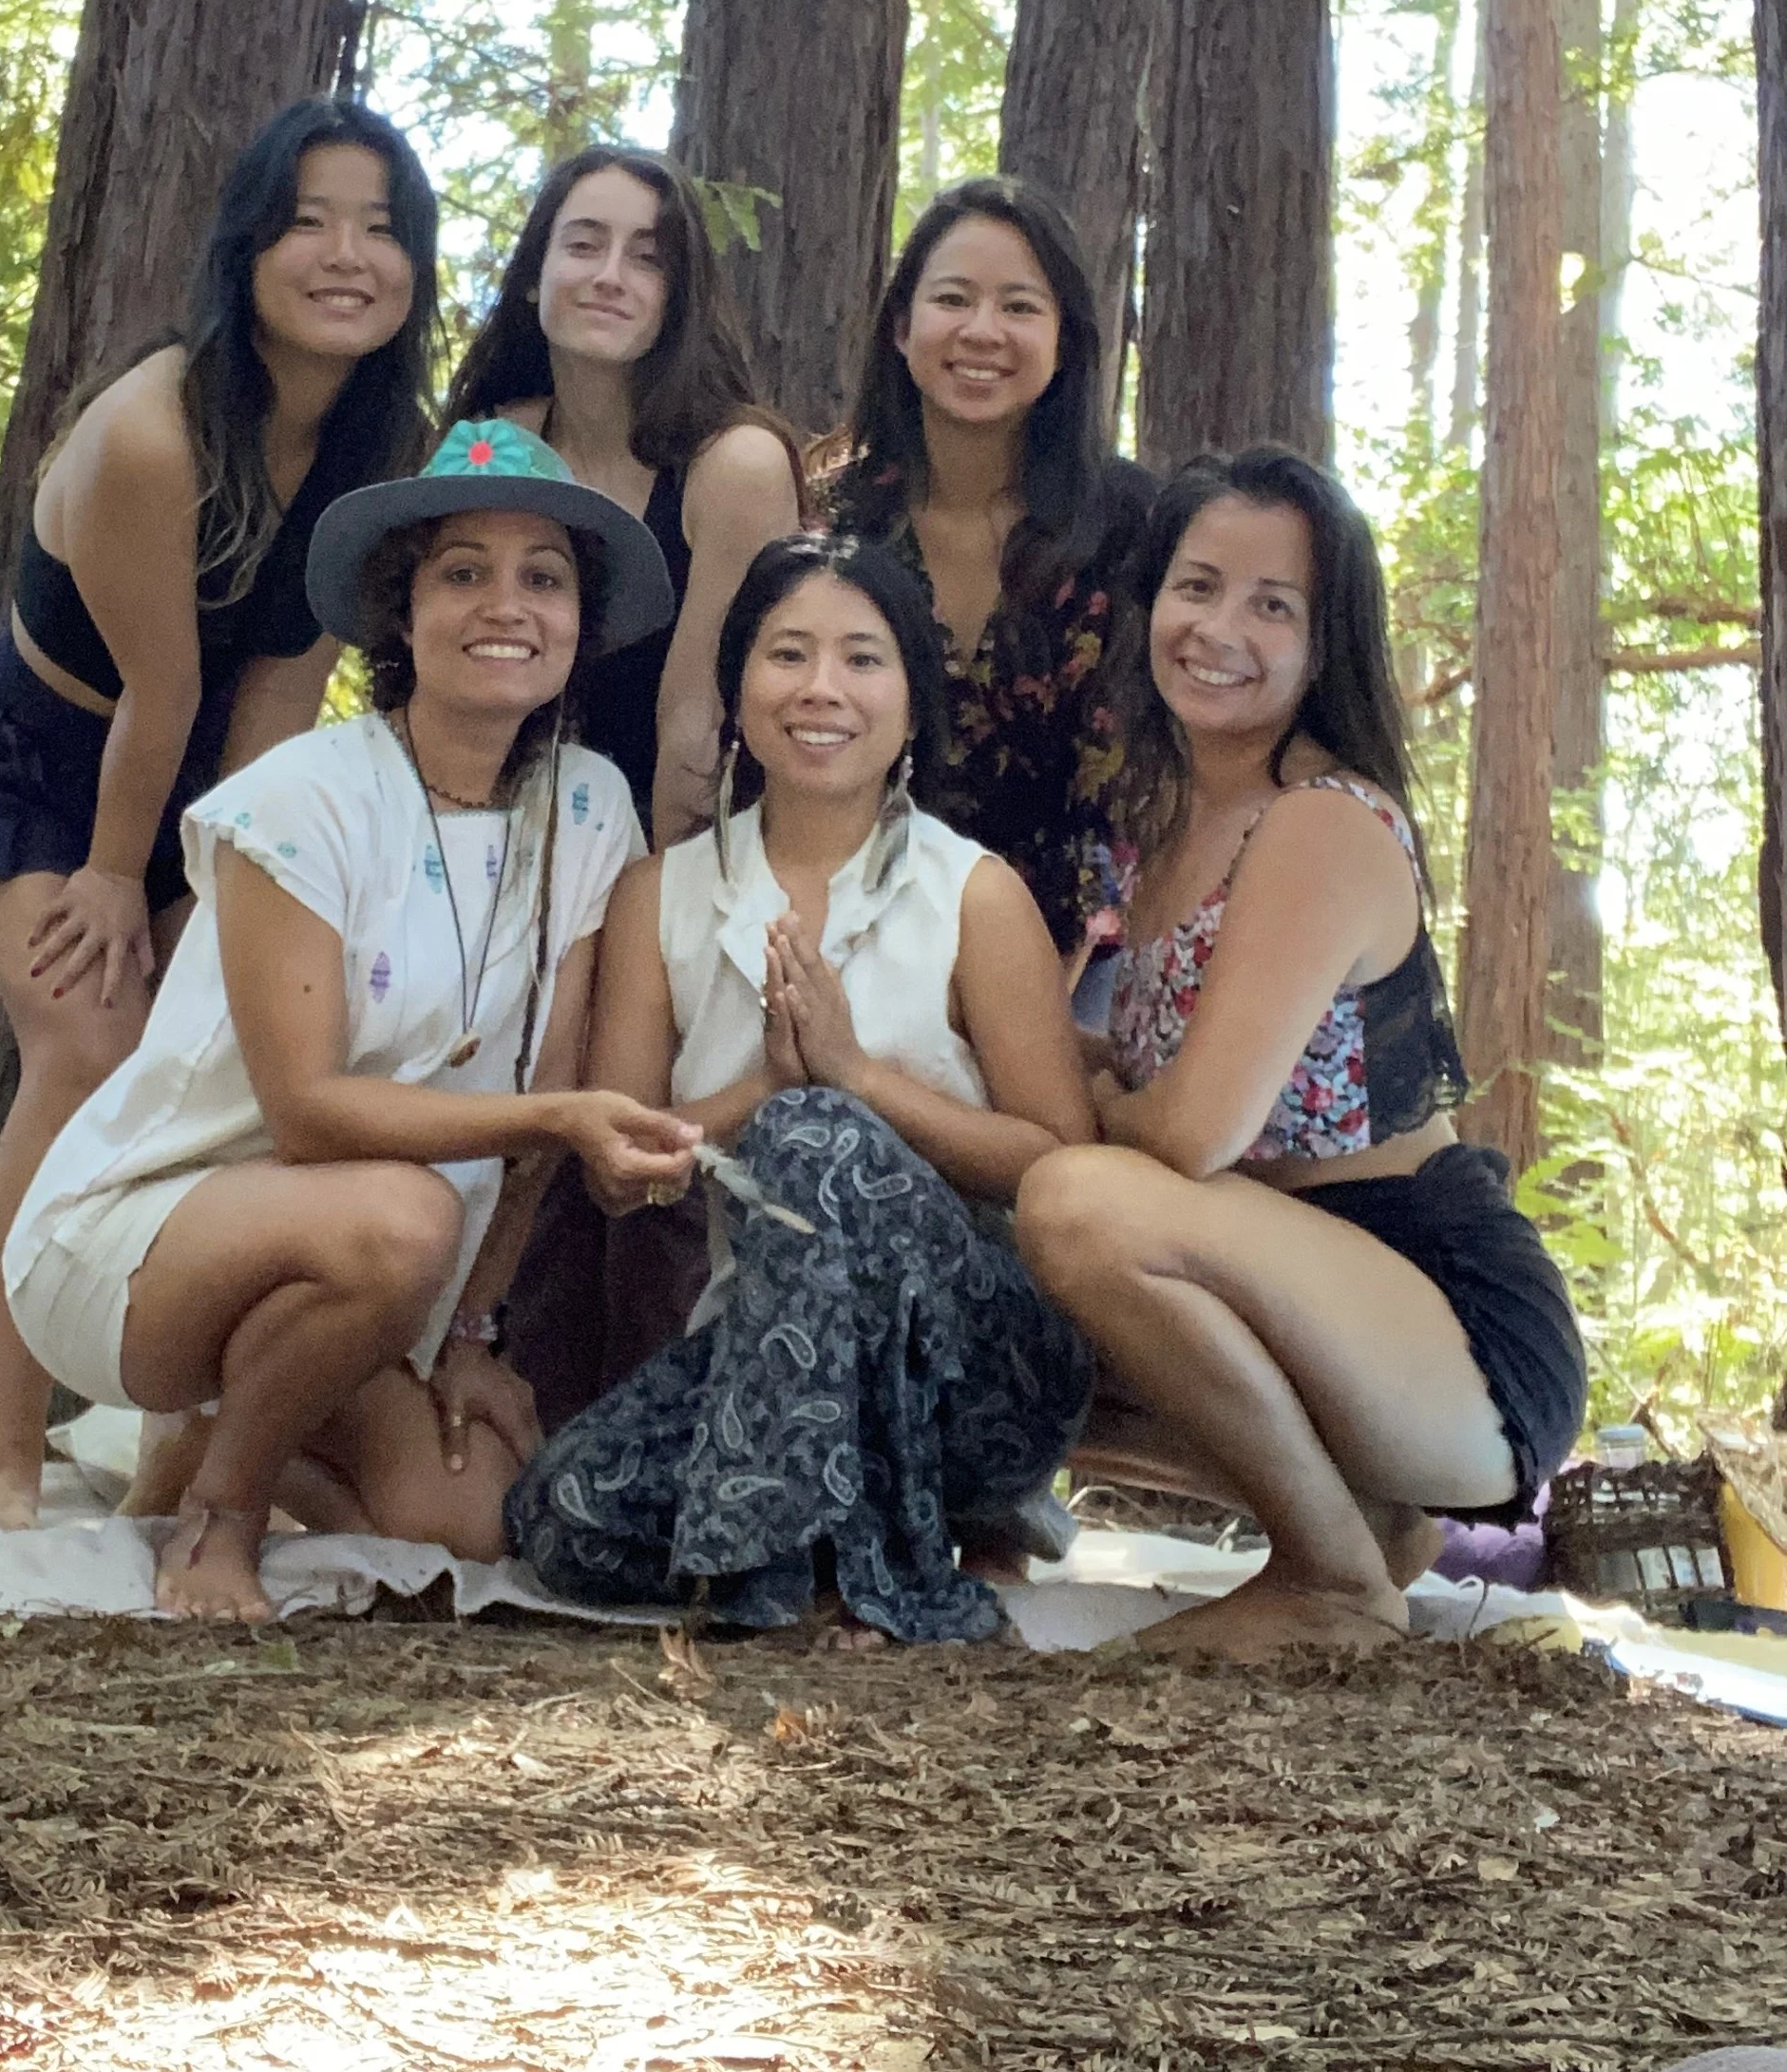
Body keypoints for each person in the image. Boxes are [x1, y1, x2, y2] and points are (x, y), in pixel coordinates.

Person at [0, 417, 704, 1621]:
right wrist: (558, 1114)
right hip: (142, 1242)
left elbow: (541, 1123)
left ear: (580, 622)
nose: (507, 606)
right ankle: (222, 1508)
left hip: (384, 1267)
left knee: (469, 1525)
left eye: (544, 578)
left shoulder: (589, 807)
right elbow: (307, 1112)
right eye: (463, 573)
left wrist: (474, 1333)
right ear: (402, 609)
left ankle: (205, 1439)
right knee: (398, 1216)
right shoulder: (301, 800)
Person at [0, 98, 441, 1528]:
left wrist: (215, 891)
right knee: (83, 1047)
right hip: (42, 765)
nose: (346, 255)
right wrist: (110, 874)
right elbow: (157, 689)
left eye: (382, 229)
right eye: (310, 221)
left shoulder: (380, 445)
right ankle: (3, 1450)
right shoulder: (152, 432)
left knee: (224, 1059)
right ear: (247, 248)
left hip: (203, 768)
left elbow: (274, 692)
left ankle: (178, 1445)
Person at [1012, 447, 1589, 1660]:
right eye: (1197, 586)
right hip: (1303, 1299)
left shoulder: (1318, 821)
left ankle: (1330, 1581)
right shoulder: (1167, 824)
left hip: (1449, 1326)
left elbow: (1188, 1134)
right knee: (1005, 1317)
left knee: (1074, 1204)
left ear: (1325, 645)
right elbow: (1139, 1082)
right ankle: (1367, 1526)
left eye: (1272, 605)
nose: (1220, 627)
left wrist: (1099, 1101)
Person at [504, 535, 1097, 1645]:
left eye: (863, 661)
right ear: (738, 690)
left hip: (979, 1373)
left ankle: (858, 1576)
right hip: (764, 1365)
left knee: (823, 1130)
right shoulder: (662, 895)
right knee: (564, 1513)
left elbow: (1058, 1165)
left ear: (912, 705)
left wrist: (855, 1080)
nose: (822, 689)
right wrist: (764, 1089)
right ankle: (829, 1544)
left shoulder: (974, 894)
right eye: (787, 655)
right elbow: (619, 1177)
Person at [826, 179, 1152, 966]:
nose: (982, 331)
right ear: (901, 328)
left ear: (1066, 340)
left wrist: (1041, 1016)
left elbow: (1151, 787)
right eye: (952, 299)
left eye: (1018, 306)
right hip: (855, 936)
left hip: (1082, 958)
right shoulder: (832, 519)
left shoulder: (1137, 526)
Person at [444, 143, 802, 843]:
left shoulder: (735, 468)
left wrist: (649, 925)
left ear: (679, 298)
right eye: (583, 245)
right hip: (477, 840)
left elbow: (698, 735)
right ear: (532, 276)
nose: (610, 277)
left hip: (662, 849)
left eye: (648, 258)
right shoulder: (488, 445)